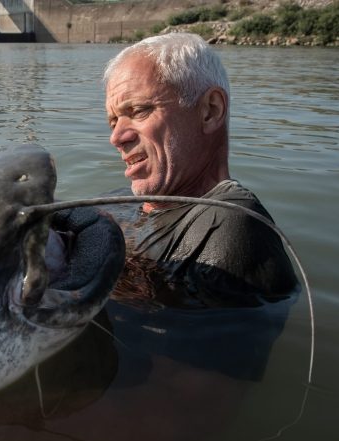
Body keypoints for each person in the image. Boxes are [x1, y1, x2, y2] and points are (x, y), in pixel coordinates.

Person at [102, 33, 298, 306]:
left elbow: (169, 343)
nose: (117, 137)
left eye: (138, 111)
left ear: (210, 111)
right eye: (113, 121)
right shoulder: (123, 201)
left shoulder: (232, 225)